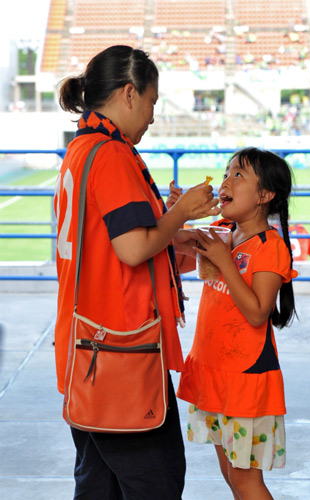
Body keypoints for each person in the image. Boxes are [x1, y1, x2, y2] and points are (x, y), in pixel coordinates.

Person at [54, 45, 220, 500]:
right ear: (129, 93)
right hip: (120, 353)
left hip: (86, 348)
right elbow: (132, 248)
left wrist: (170, 236)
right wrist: (180, 213)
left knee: (97, 484)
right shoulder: (111, 154)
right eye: (151, 101)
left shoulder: (81, 149)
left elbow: (119, 243)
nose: (151, 115)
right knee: (157, 481)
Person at [177, 147, 297, 500]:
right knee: (230, 475)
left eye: (238, 175)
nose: (226, 181)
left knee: (247, 481)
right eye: (226, 173)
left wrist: (224, 261)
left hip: (245, 379)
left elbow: (259, 312)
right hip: (214, 372)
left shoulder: (270, 247)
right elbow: (175, 254)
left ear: (265, 195)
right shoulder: (220, 231)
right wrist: (174, 214)